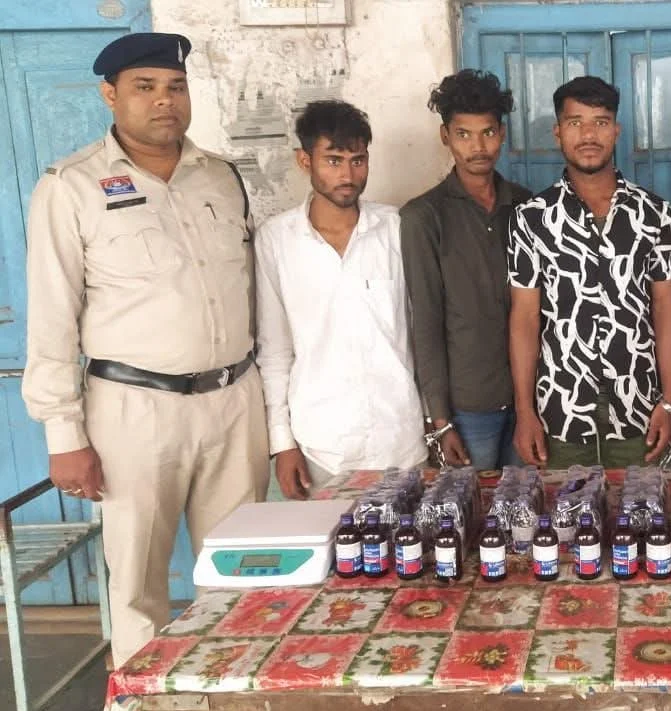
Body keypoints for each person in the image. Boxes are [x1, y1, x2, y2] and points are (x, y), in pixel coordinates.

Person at [22, 33, 269, 665]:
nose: (165, 100)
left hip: (234, 399)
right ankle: (141, 700)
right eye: (145, 87)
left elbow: (248, 289)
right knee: (137, 583)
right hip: (134, 408)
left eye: (175, 86)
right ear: (109, 95)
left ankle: (228, 692)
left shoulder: (220, 176)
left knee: (241, 569)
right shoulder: (71, 186)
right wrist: (63, 433)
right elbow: (52, 315)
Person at [255, 100, 428, 497]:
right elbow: (275, 350)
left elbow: (424, 332)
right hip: (321, 446)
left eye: (358, 160)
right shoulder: (277, 240)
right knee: (328, 540)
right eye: (333, 161)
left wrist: (435, 421)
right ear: (304, 161)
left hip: (400, 441)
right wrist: (282, 443)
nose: (348, 175)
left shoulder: (397, 229)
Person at [507, 76, 671, 469]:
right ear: (558, 132)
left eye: (600, 122)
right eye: (575, 122)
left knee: (639, 505)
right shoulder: (532, 218)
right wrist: (524, 411)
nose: (588, 135)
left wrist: (669, 401)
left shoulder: (654, 214)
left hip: (638, 404)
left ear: (616, 130)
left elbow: (667, 308)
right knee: (565, 506)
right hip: (560, 407)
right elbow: (524, 317)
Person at [401, 70, 531, 470]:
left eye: (488, 133)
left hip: (533, 399)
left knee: (531, 501)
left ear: (502, 134)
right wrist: (440, 420)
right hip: (469, 407)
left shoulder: (529, 207)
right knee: (473, 504)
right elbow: (426, 322)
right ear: (445, 136)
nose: (478, 147)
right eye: (463, 134)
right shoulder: (424, 217)